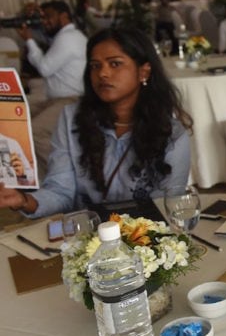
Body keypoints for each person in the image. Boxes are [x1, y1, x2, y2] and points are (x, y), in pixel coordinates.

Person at [0, 27, 192, 218]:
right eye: (95, 66)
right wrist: (25, 201)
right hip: (86, 236)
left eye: (115, 64)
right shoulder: (71, 119)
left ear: (144, 72)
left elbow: (167, 205)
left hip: (147, 238)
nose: (103, 74)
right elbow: (60, 191)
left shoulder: (171, 134)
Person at [17, 0, 88, 175]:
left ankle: (63, 175)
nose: (44, 21)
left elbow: (44, 68)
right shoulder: (62, 36)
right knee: (17, 118)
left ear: (63, 16)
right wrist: (27, 18)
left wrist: (29, 40)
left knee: (33, 132)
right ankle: (37, 175)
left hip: (72, 100)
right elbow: (41, 35)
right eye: (43, 17)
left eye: (48, 17)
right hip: (56, 100)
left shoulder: (68, 38)